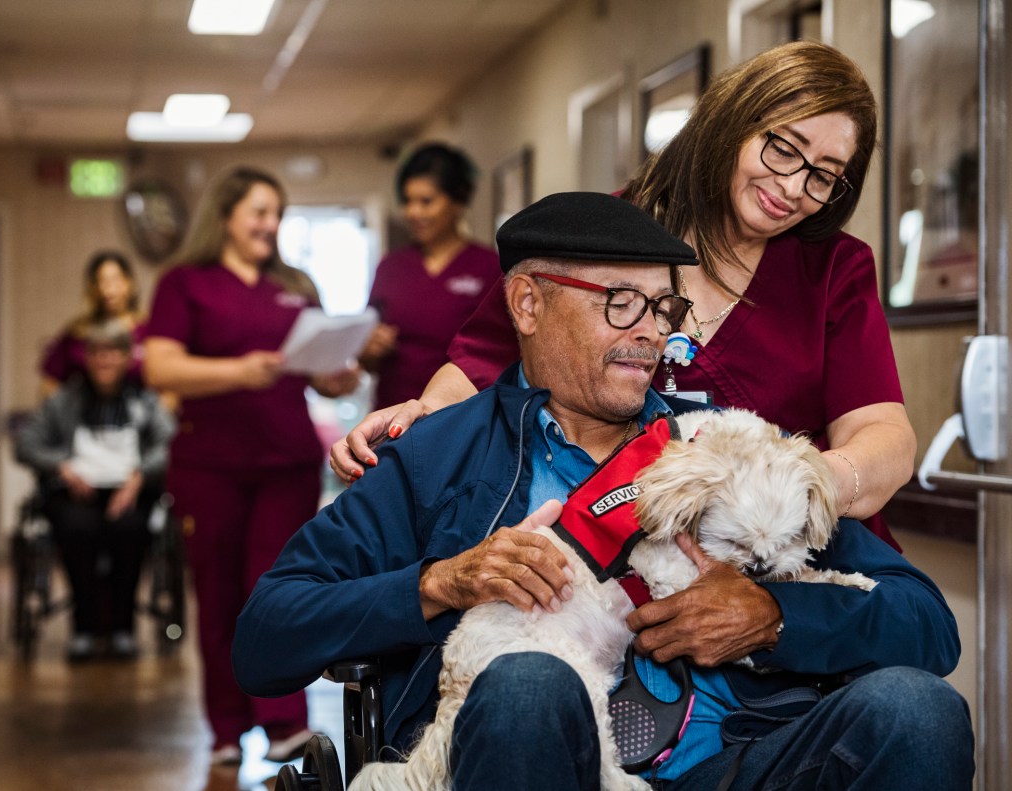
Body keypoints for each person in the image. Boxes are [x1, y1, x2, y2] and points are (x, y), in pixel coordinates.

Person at [233, 192, 972, 790]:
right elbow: (265, 636)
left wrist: (776, 616)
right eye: (621, 302)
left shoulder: (716, 446)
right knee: (528, 682)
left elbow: (928, 625)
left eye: (664, 309)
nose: (650, 333)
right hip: (533, 757)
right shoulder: (437, 454)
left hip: (735, 758)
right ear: (527, 304)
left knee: (918, 708)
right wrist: (440, 582)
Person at [329, 41, 915, 553]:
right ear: (734, 121)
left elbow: (885, 437)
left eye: (823, 175)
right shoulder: (601, 231)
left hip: (770, 557)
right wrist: (423, 421)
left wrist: (808, 483)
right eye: (783, 149)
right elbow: (480, 364)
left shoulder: (834, 268)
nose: (792, 188)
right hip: (599, 546)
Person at [143, 165, 358, 765]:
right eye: (259, 212)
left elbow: (321, 374)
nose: (270, 225)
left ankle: (284, 720)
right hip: (208, 466)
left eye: (277, 214)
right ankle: (225, 731)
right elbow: (160, 368)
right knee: (216, 595)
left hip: (285, 463)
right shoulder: (184, 282)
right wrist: (239, 371)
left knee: (277, 592)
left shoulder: (294, 283)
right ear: (227, 217)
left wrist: (339, 374)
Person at [16, 319, 175, 661]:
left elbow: (169, 444)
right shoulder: (63, 399)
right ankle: (83, 628)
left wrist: (138, 478)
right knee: (76, 529)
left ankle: (123, 628)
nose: (104, 360)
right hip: (76, 492)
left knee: (131, 530)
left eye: (113, 353)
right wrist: (63, 467)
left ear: (125, 357)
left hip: (130, 491)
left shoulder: (145, 400)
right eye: (97, 352)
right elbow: (27, 443)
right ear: (87, 357)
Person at [358, 142, 499, 411]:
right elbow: (366, 359)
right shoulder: (391, 267)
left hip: (463, 416)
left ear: (458, 201)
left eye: (426, 201)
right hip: (393, 416)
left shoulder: (488, 267)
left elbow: (501, 353)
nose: (413, 212)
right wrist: (370, 349)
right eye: (408, 201)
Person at [39, 250, 147, 399]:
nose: (107, 290)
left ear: (129, 283)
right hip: (86, 416)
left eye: (115, 280)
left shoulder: (149, 330)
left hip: (138, 415)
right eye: (100, 281)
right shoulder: (78, 332)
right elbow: (50, 383)